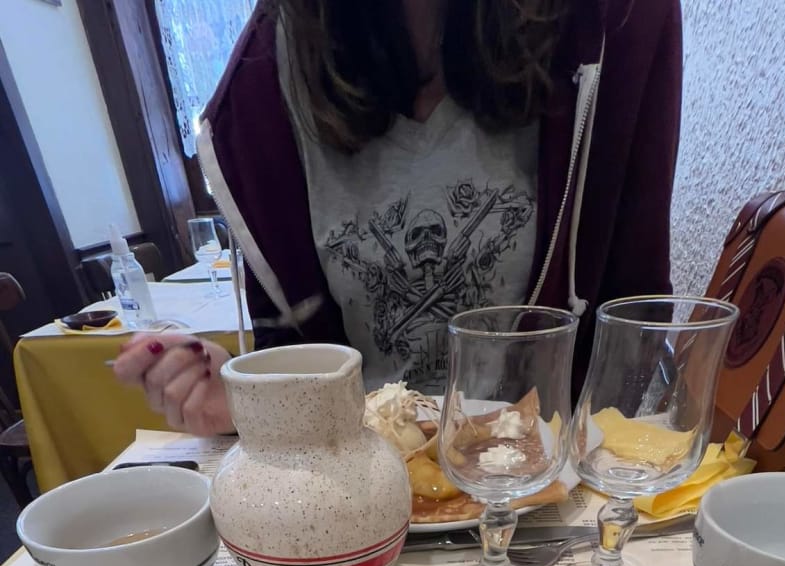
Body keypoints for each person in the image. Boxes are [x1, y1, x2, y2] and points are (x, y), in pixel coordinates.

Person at [115, 0, 682, 434]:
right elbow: (293, 361)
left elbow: (635, 312)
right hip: (358, 496)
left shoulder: (621, 24)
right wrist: (250, 396)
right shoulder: (260, 87)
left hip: (548, 496)